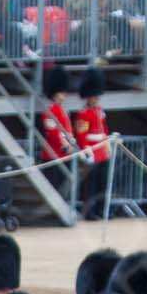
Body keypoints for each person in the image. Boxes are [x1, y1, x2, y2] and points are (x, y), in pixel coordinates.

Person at [35, 65, 77, 204]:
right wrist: (65, 145)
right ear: (55, 93)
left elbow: (67, 130)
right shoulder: (50, 110)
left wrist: (70, 143)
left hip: (64, 154)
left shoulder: (61, 109)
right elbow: (53, 132)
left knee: (64, 185)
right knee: (55, 186)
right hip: (54, 154)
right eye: (62, 92)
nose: (64, 95)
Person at [73, 67, 109, 220]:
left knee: (103, 183)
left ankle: (101, 209)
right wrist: (86, 148)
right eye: (94, 96)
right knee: (91, 185)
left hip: (101, 149)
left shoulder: (99, 110)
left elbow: (104, 129)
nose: (96, 99)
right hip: (92, 150)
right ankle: (90, 211)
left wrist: (107, 144)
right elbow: (81, 133)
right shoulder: (83, 113)